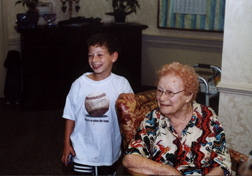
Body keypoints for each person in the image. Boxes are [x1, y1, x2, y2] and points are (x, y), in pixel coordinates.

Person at [123, 62, 232, 175]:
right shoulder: (153, 119)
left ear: (188, 96)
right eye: (160, 91)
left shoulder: (207, 117)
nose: (162, 98)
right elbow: (129, 159)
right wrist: (169, 171)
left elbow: (222, 164)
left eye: (170, 92)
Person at [61, 33, 134, 175]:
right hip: (82, 152)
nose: (94, 60)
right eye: (90, 55)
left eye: (100, 55)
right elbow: (70, 116)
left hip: (108, 152)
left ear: (114, 56)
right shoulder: (79, 84)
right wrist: (66, 144)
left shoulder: (122, 84)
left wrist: (126, 100)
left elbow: (131, 116)